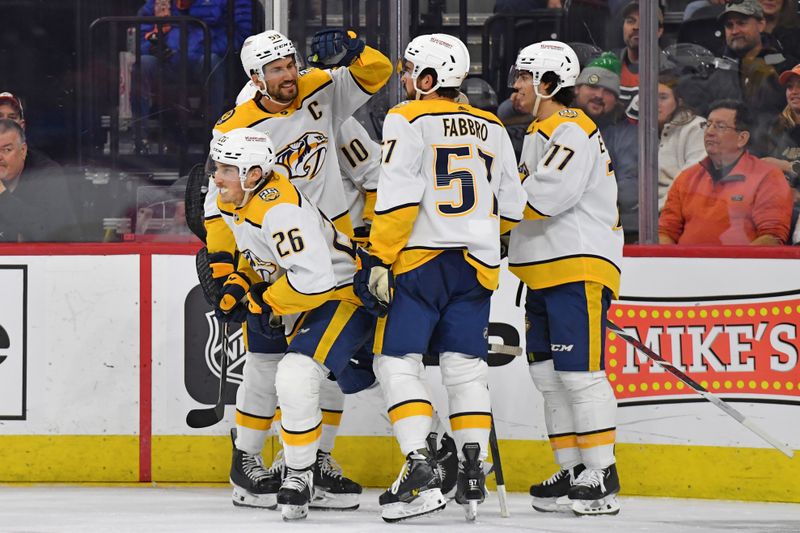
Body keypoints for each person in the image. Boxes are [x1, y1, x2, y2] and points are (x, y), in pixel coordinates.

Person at [206, 28, 391, 511]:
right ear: (255, 78)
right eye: (277, 70)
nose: (290, 76)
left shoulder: (324, 95)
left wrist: (356, 47)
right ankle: (246, 462)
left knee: (320, 370)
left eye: (291, 65)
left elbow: (377, 74)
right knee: (268, 366)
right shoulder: (235, 131)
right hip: (271, 264)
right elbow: (217, 209)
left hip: (324, 259)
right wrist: (227, 267)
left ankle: (315, 461)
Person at [354, 33, 526, 522]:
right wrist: (475, 231)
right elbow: (511, 207)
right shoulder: (493, 125)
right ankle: (474, 464)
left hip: (420, 262)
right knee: (465, 365)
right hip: (477, 265)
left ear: (429, 79)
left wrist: (381, 256)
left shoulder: (406, 117)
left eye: (410, 71)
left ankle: (419, 465)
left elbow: (399, 196)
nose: (405, 79)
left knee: (396, 361)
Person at [508, 40, 624, 516]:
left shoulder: (572, 128)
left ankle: (603, 472)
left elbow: (544, 198)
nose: (514, 85)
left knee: (580, 376)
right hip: (543, 270)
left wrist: (473, 221)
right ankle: (574, 467)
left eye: (523, 77)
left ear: (549, 84)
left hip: (578, 266)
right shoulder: (540, 129)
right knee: (547, 377)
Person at [659, 99, 793, 245]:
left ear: (742, 138)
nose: (709, 132)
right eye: (708, 124)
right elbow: (665, 231)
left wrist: (732, 266)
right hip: (685, 266)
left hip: (740, 266)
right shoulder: (687, 177)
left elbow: (771, 238)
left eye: (720, 126)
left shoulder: (768, 177)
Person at [137, 0, 252, 120]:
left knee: (211, 61)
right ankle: (140, 134)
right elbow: (140, 37)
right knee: (144, 63)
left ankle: (214, 130)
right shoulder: (157, 3)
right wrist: (154, 45)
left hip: (206, 62)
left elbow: (242, 34)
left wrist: (205, 49)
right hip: (168, 63)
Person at [572, 54, 640, 243]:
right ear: (577, 89)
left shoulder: (626, 133)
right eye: (593, 86)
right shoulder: (557, 121)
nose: (599, 96)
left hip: (610, 229)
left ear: (617, 99)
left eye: (608, 91)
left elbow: (629, 193)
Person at [0, 119, 78, 242]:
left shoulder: (48, 176)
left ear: (23, 151)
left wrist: (2, 196)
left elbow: (52, 234)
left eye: (7, 150)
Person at [657, 73, 707, 210]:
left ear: (679, 101)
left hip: (677, 210)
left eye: (663, 98)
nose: (655, 103)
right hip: (646, 211)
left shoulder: (696, 127)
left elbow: (690, 177)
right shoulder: (642, 129)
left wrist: (655, 209)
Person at [618, 1, 664, 109]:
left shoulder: (671, 71)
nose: (636, 27)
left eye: (645, 21)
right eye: (630, 21)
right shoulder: (608, 65)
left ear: (659, 31)